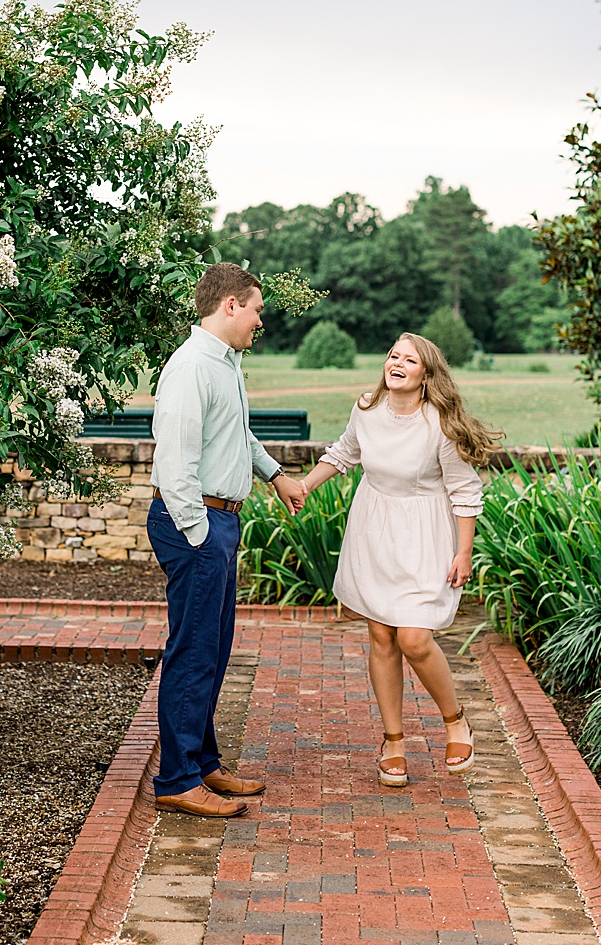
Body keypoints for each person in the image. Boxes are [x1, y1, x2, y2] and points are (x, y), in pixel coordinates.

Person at [298, 332, 496, 786]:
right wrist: (305, 486)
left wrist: (464, 552)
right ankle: (393, 741)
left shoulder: (439, 424)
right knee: (382, 635)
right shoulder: (366, 408)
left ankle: (455, 720)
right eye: (393, 355)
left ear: (427, 375)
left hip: (426, 536)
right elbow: (343, 453)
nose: (398, 364)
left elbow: (465, 491)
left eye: (410, 359)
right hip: (374, 530)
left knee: (414, 638)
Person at [146, 263, 306, 818]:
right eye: (257, 308)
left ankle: (204, 763)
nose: (260, 321)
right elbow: (174, 459)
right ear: (231, 305)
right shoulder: (192, 367)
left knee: (212, 649)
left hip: (218, 523)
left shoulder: (224, 364)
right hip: (197, 523)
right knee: (191, 653)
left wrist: (275, 475)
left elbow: (235, 433)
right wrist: (198, 533)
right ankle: (176, 780)